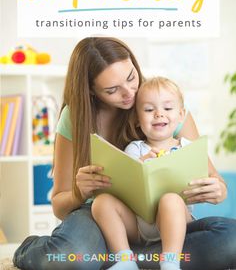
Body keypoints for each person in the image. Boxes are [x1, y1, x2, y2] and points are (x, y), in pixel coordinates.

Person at [13, 37, 236, 270]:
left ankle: (122, 260)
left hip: (165, 219)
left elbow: (215, 180)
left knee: (231, 240)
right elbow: (59, 205)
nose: (130, 92)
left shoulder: (163, 105)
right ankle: (122, 257)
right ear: (91, 89)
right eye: (112, 90)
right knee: (72, 257)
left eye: (131, 77)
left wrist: (217, 190)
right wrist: (80, 192)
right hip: (103, 217)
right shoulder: (75, 117)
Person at [92, 76, 194, 270]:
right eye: (149, 110)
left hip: (177, 222)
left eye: (167, 108)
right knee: (101, 202)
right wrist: (142, 163)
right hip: (139, 224)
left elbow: (198, 187)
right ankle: (125, 259)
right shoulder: (135, 148)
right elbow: (125, 183)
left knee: (170, 199)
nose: (158, 114)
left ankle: (170, 262)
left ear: (181, 115)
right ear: (138, 120)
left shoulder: (187, 148)